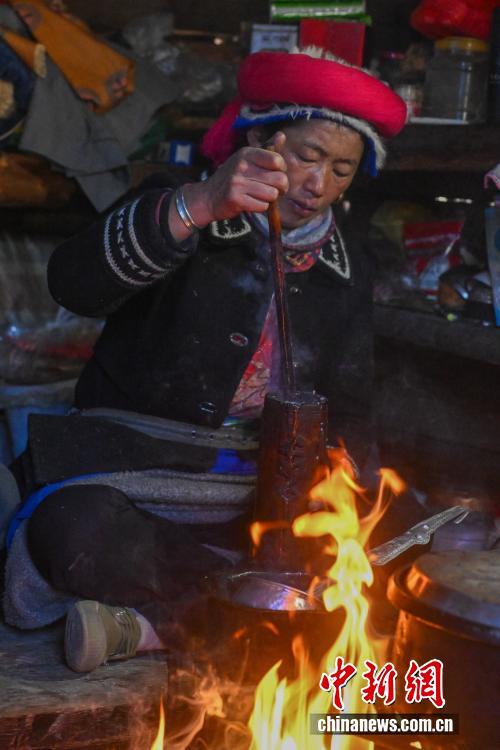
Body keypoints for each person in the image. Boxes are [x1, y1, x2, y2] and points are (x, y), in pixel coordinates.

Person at [2, 47, 406, 672]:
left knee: (386, 544)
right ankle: (249, 628)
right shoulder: (181, 203)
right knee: (74, 529)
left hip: (257, 489)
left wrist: (346, 500)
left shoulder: (343, 265)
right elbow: (72, 284)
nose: (319, 185)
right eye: (308, 156)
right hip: (132, 468)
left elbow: (350, 402)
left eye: (342, 169)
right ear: (262, 140)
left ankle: (152, 626)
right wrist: (200, 205)